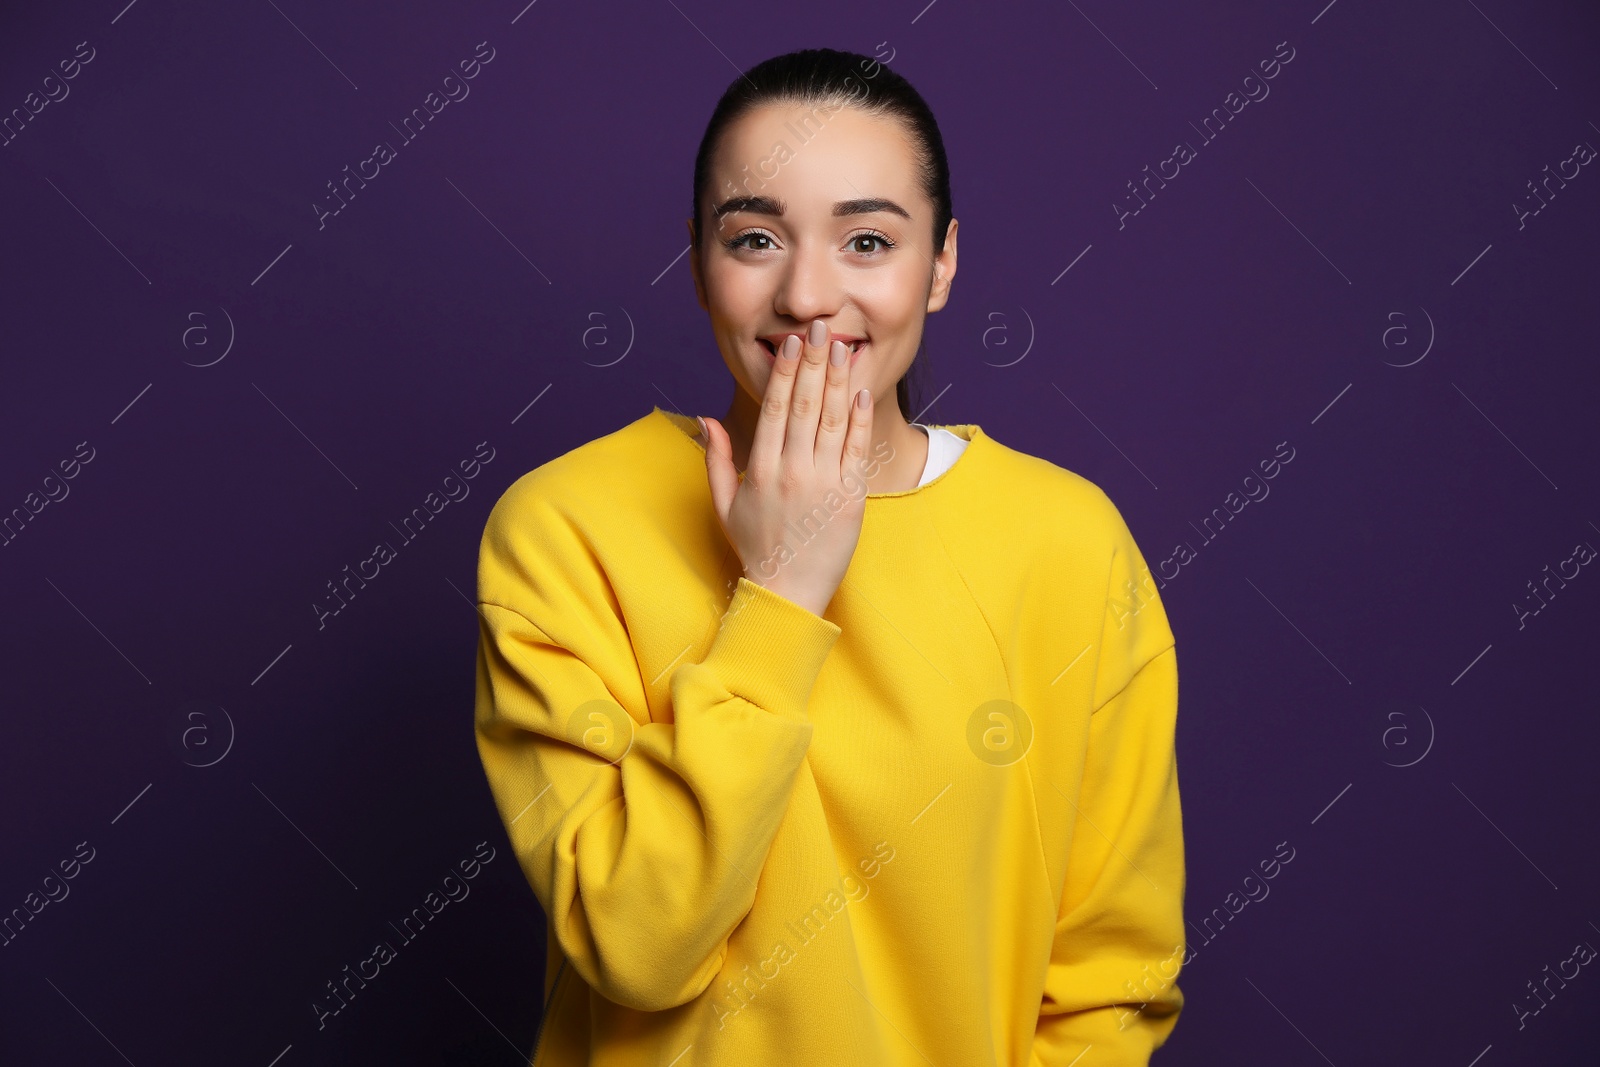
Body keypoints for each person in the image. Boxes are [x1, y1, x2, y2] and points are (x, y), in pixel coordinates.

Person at [473, 47, 1186, 1067]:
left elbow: (1111, 976)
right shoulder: (564, 529)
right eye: (755, 237)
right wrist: (779, 593)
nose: (808, 295)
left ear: (939, 264)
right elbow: (637, 946)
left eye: (866, 240)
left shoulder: (1068, 542)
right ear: (696, 260)